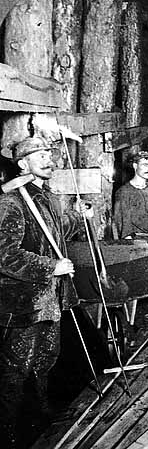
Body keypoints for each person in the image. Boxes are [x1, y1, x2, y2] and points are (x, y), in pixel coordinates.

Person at [0, 136, 88, 447]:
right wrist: (52, 266)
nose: (48, 158)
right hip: (24, 303)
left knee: (45, 360)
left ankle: (39, 416)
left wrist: (79, 218)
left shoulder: (46, 198)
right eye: (39, 154)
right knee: (15, 371)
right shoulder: (11, 203)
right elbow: (5, 256)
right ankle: (8, 433)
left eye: (49, 152)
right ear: (22, 164)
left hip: (51, 299)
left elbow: (57, 236)